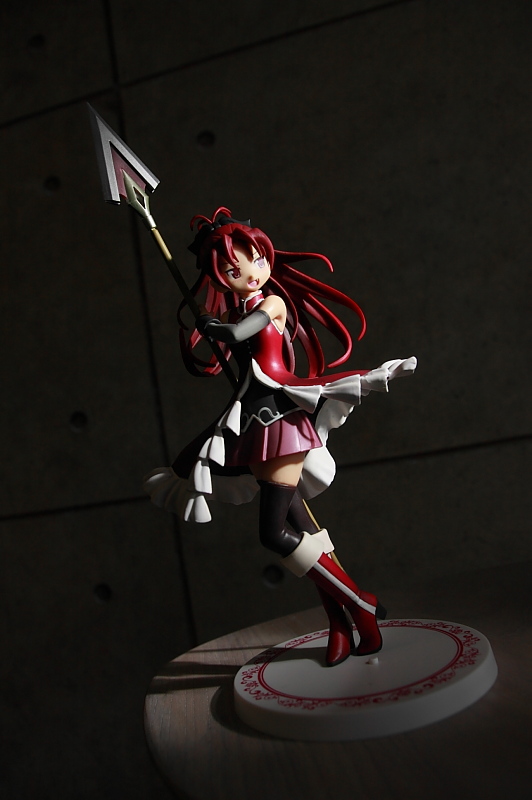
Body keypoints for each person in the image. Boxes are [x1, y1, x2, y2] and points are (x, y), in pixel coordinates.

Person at [144, 207, 416, 666]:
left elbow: (239, 332)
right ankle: (341, 622)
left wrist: (212, 326)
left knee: (273, 533)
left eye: (255, 260)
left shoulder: (270, 304)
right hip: (250, 420)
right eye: (233, 270)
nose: (250, 273)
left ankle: (360, 603)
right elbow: (233, 333)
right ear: (220, 278)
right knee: (302, 528)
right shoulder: (236, 305)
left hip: (278, 419)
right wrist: (210, 323)